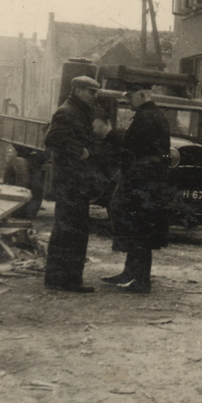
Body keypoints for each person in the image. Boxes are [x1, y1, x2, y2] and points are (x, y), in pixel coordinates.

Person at [105, 84, 171, 294]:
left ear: (142, 95)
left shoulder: (147, 117)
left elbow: (130, 147)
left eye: (131, 97)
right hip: (146, 179)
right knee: (137, 227)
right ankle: (129, 273)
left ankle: (142, 281)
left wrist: (109, 135)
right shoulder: (152, 115)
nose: (128, 101)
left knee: (140, 229)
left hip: (142, 181)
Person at [43, 74, 101, 293]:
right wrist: (80, 150)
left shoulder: (79, 111)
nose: (94, 96)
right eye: (91, 92)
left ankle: (64, 279)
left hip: (75, 182)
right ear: (77, 90)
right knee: (69, 231)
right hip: (70, 182)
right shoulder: (67, 111)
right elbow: (52, 139)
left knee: (71, 231)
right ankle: (63, 280)